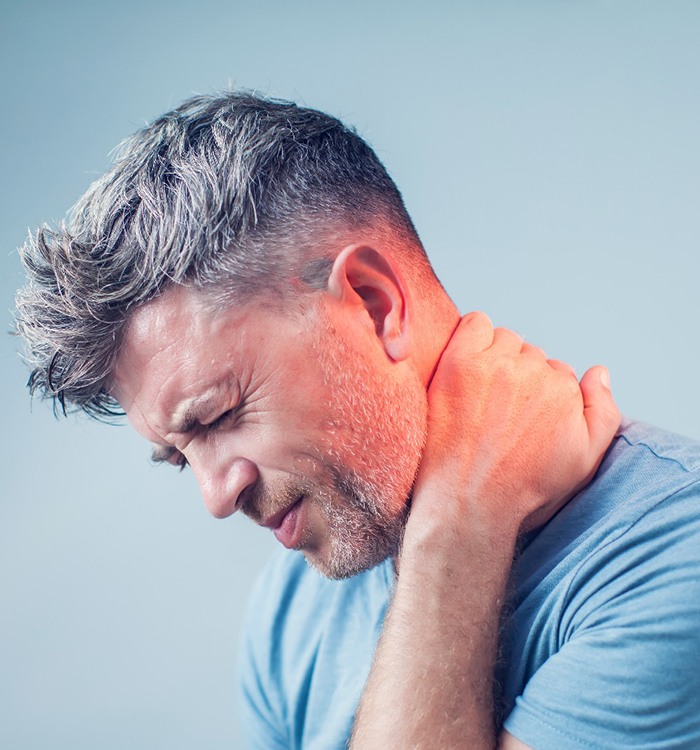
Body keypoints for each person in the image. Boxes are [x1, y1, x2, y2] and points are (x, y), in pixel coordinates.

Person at [14, 93, 700, 749]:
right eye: (178, 457)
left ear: (374, 305)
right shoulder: (289, 614)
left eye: (219, 416)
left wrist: (452, 540)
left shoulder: (676, 562)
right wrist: (456, 520)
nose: (215, 497)